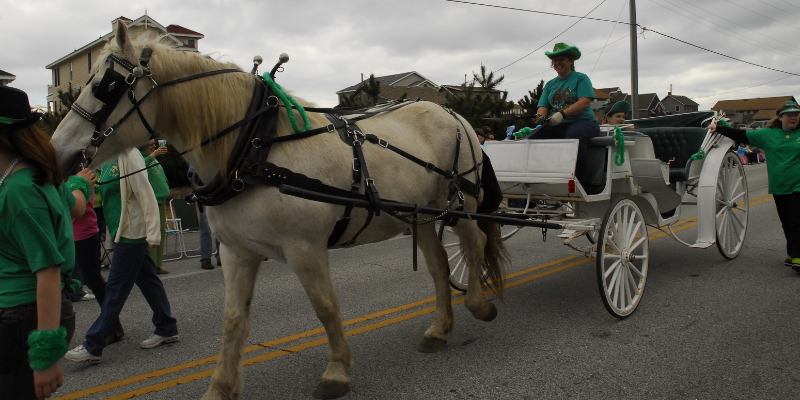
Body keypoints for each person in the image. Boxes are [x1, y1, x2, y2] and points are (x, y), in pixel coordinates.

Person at [0, 86, 91, 399]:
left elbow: (48, 271)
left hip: (25, 315)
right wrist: (81, 182)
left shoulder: (20, 189)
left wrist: (44, 355)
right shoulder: (42, 174)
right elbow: (77, 205)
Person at [65, 147, 179, 364]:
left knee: (116, 288)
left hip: (133, 232)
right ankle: (167, 327)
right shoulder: (106, 160)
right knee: (148, 281)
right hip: (121, 232)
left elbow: (145, 193)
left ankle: (93, 344)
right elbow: (111, 204)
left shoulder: (129, 154)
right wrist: (111, 238)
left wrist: (153, 231)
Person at [708, 101, 800, 269]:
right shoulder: (767, 134)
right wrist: (719, 127)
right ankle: (791, 252)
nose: (793, 117)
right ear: (781, 118)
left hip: (798, 185)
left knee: (796, 219)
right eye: (789, 115)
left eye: (796, 114)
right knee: (786, 221)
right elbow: (741, 135)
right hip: (780, 185)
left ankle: (797, 256)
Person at [529, 42, 600, 185]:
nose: (557, 63)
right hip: (558, 125)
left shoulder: (581, 78)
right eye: (555, 60)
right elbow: (543, 106)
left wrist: (562, 114)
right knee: (532, 140)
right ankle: (536, 182)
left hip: (584, 123)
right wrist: (540, 117)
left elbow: (585, 102)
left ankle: (580, 183)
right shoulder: (550, 84)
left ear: (571, 61)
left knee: (574, 137)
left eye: (561, 59)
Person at [141, 140, 170, 274]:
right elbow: (139, 168)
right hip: (151, 201)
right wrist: (153, 155)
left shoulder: (154, 158)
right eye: (151, 144)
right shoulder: (141, 157)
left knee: (160, 233)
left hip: (161, 200)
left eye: (154, 144)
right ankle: (151, 266)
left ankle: (157, 264)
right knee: (152, 234)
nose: (154, 146)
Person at [187, 167, 220, 267]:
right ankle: (205, 259)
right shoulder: (197, 157)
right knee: (205, 229)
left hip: (218, 195)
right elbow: (190, 175)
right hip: (204, 195)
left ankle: (221, 257)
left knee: (219, 228)